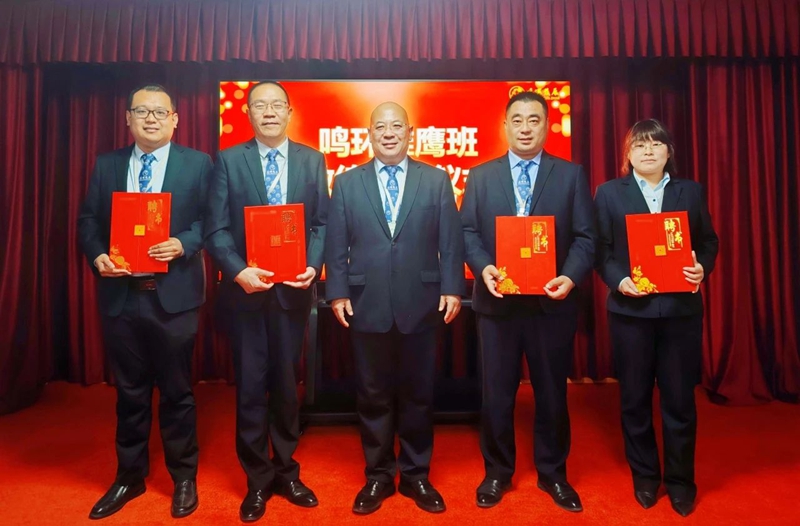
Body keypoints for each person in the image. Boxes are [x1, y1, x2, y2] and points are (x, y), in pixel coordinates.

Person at [77, 84, 212, 520]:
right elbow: (88, 221)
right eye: (142, 111)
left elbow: (210, 221)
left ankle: (184, 476)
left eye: (159, 112)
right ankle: (129, 476)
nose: (150, 119)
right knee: (130, 392)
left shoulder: (198, 164)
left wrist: (183, 243)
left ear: (175, 119)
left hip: (174, 297)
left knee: (177, 392)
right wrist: (97, 255)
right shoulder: (108, 164)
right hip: (122, 297)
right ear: (128, 119)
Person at [325, 102, 465, 515]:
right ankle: (379, 475)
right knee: (372, 394)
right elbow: (336, 243)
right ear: (369, 134)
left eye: (396, 126)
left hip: (421, 302)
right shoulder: (346, 183)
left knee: (419, 394)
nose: (389, 133)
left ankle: (417, 474)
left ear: (410, 132)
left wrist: (453, 287)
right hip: (365, 302)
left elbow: (450, 241)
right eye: (380, 127)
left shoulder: (435, 180)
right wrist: (337, 293)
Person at [460, 91, 595, 512]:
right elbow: (467, 233)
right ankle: (497, 472)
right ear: (504, 125)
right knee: (496, 395)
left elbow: (586, 237)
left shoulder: (570, 175)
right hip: (497, 304)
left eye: (533, 119)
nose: (524, 127)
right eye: (516, 119)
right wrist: (483, 267)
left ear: (546, 125)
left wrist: (569, 277)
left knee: (552, 394)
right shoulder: (481, 176)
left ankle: (553, 474)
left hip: (550, 305)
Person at [204, 81, 328, 522]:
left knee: (287, 387)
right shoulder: (228, 160)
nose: (269, 112)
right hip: (246, 295)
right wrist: (239, 271)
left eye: (277, 105)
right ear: (249, 113)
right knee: (252, 388)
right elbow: (216, 228)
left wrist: (313, 265)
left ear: (290, 111)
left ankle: (287, 471)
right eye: (260, 105)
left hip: (292, 293)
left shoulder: (312, 160)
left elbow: (321, 223)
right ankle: (257, 479)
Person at [594, 119, 718, 517]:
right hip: (631, 312)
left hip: (680, 313)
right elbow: (601, 250)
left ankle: (680, 482)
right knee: (634, 398)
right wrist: (619, 280)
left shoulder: (690, 192)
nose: (648, 151)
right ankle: (646, 476)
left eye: (656, 144)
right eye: (639, 145)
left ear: (668, 152)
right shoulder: (609, 193)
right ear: (628, 155)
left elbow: (708, 242)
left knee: (679, 400)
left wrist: (702, 269)